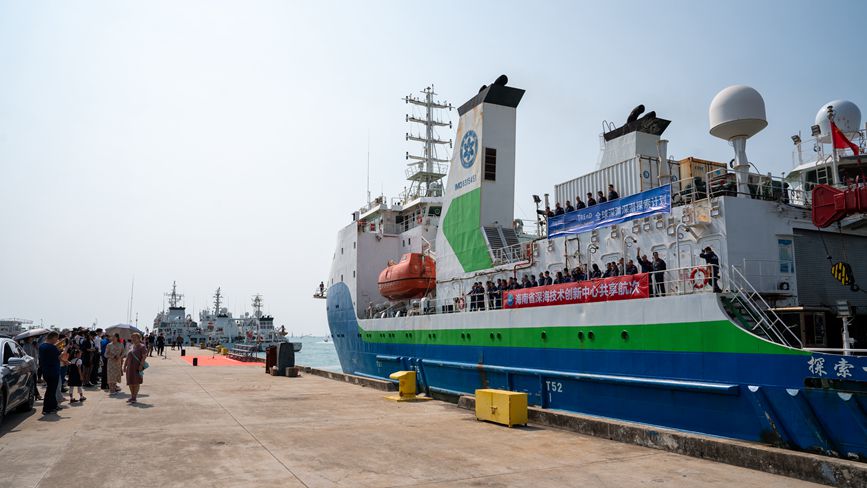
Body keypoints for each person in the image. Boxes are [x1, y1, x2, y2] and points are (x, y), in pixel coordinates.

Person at [39, 332, 62, 415]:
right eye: (56, 338)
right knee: (51, 391)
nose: (57, 340)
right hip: (53, 371)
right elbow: (60, 356)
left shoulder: (42, 346)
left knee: (51, 390)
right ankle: (46, 408)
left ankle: (53, 406)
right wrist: (65, 349)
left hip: (46, 371)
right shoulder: (52, 347)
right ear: (53, 338)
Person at [123, 333, 148, 404]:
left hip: (137, 366)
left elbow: (144, 357)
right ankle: (132, 396)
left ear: (139, 338)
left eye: (135, 337)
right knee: (130, 381)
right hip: (130, 367)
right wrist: (125, 366)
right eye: (132, 337)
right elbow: (128, 357)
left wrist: (141, 366)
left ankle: (134, 397)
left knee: (136, 382)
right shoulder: (131, 346)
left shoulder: (142, 347)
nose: (133, 339)